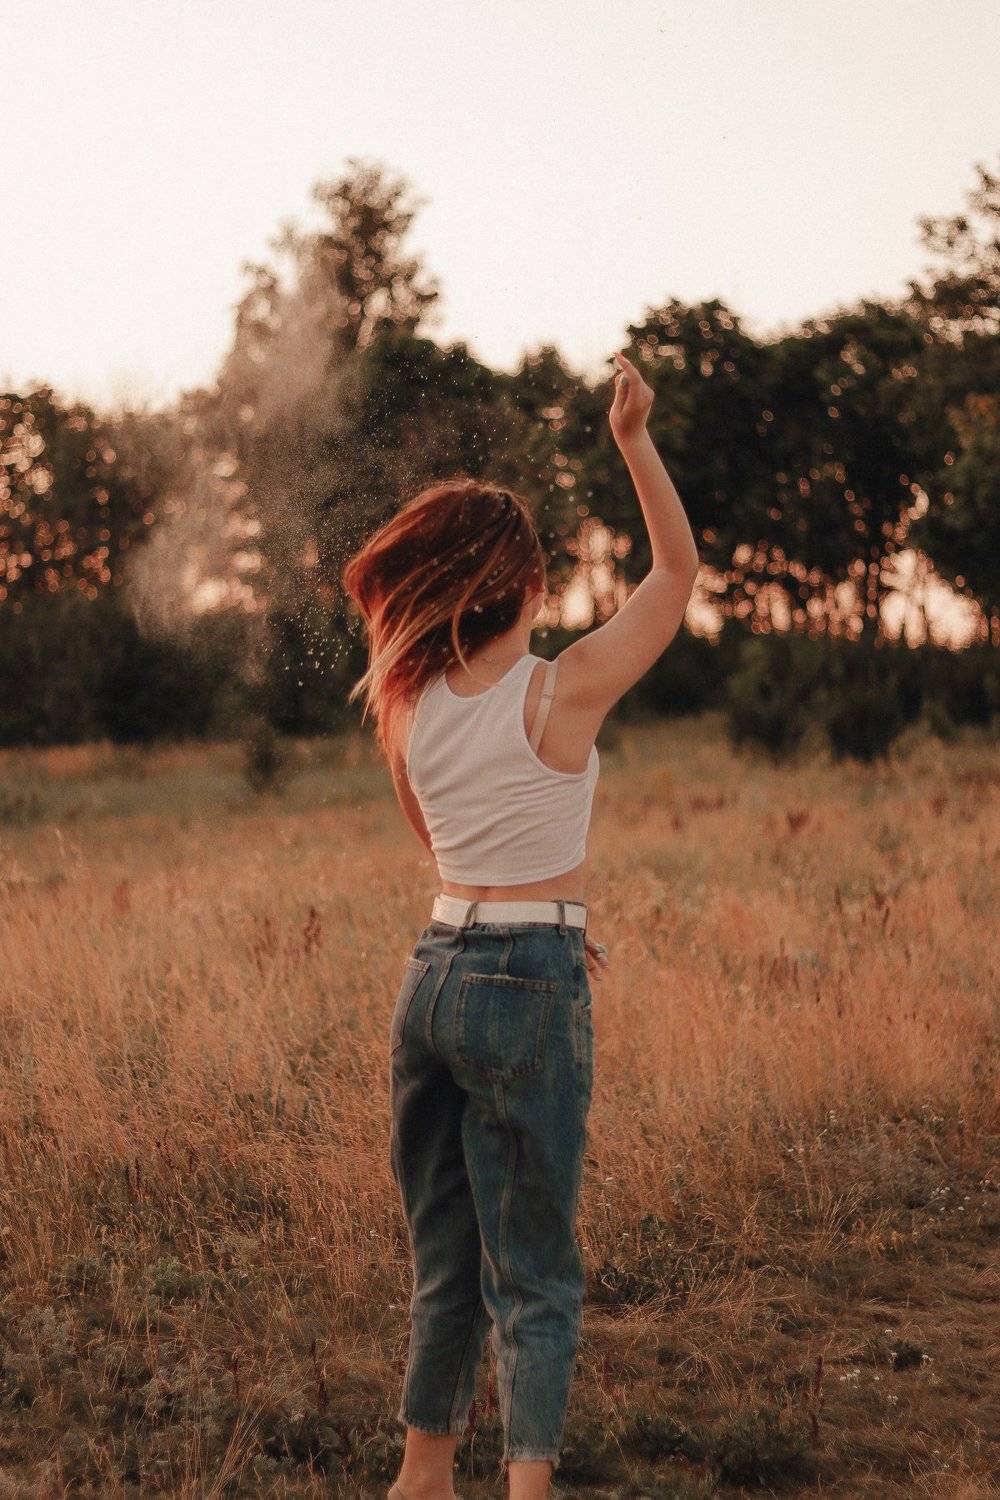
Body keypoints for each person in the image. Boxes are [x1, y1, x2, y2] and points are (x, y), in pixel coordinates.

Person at [341, 351, 700, 1500]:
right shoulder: (559, 690)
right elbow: (676, 573)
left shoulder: (408, 703)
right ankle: (528, 1490)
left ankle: (422, 1477)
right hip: (526, 973)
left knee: (444, 1255)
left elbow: (439, 848)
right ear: (529, 586)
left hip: (433, 973)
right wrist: (632, 438)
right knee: (534, 1268)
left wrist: (510, 906)